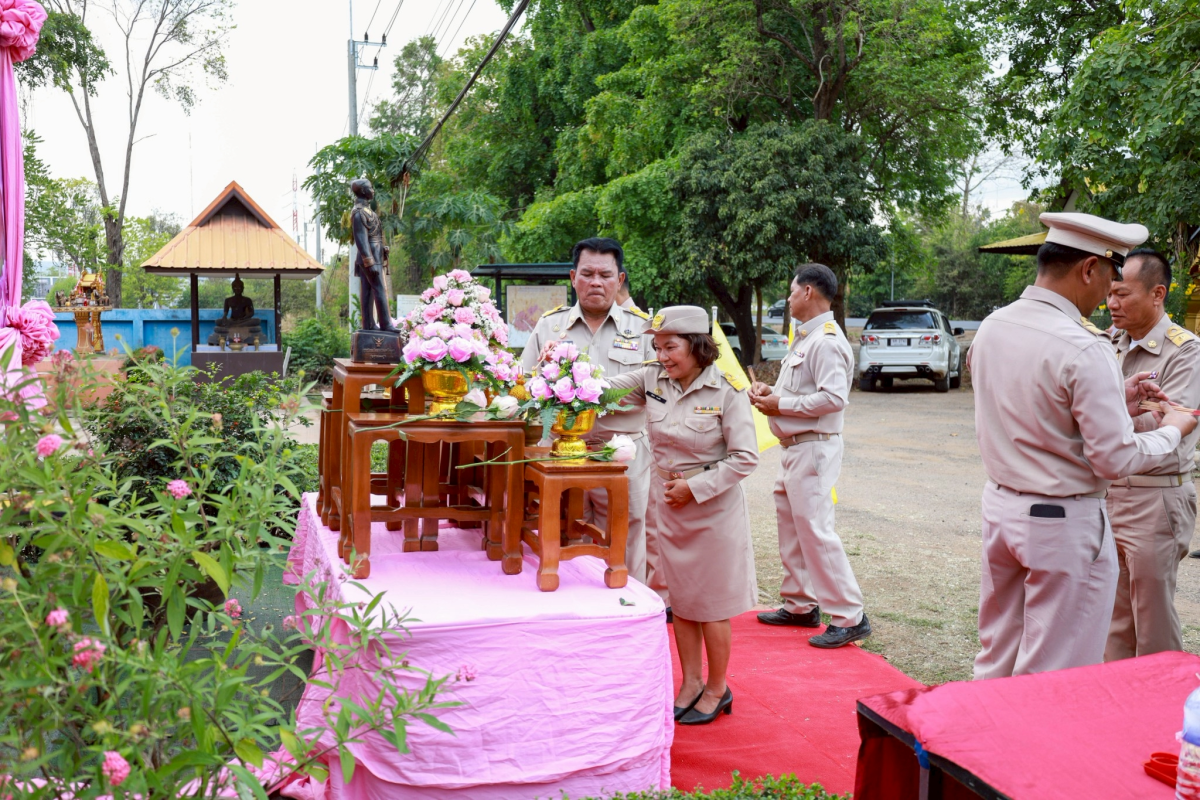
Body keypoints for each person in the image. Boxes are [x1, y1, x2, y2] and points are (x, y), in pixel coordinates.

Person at [968, 212, 1196, 680]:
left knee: (998, 655)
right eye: (1110, 281)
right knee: (1057, 669)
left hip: (1002, 509)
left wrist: (1115, 401)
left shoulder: (993, 326)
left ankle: (980, 730)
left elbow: (1037, 407)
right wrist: (1173, 428)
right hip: (1060, 522)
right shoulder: (1084, 345)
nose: (1107, 298)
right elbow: (1113, 457)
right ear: (1089, 269)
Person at [606, 306, 758, 725]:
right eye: (657, 347)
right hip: (670, 510)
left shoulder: (728, 390)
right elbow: (602, 390)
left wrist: (695, 487)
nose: (662, 356)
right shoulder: (653, 378)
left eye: (670, 347)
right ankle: (691, 682)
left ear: (696, 345)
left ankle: (718, 688)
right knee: (682, 601)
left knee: (712, 605)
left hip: (712, 513)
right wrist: (561, 374)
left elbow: (745, 458)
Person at [521, 237, 655, 583]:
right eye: (588, 273)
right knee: (562, 531)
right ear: (573, 277)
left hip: (624, 452)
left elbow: (656, 387)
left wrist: (599, 390)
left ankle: (628, 601)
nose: (596, 282)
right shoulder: (550, 326)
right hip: (561, 455)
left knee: (627, 533)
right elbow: (524, 387)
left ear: (620, 280)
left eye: (605, 275)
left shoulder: (643, 329)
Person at [750, 264, 871, 648]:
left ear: (807, 292)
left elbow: (833, 398)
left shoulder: (827, 341)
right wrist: (771, 393)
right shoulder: (807, 338)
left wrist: (780, 404)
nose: (787, 299)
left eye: (791, 291)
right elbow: (802, 390)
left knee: (816, 531)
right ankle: (800, 605)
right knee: (793, 527)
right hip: (795, 446)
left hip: (814, 446)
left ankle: (850, 616)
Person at [1104, 248, 1200, 660]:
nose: (1111, 303)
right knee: (1111, 620)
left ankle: (1165, 699)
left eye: (1122, 294)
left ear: (1157, 294)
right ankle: (1114, 699)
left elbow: (1171, 423)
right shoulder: (1108, 342)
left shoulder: (1186, 351)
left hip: (1155, 497)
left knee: (1152, 622)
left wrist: (1109, 418)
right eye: (1109, 293)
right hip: (1108, 493)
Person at [350, 179, 394, 332]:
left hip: (375, 255)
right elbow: (361, 239)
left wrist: (382, 248)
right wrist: (369, 261)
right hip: (369, 259)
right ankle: (386, 324)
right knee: (379, 289)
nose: (373, 190)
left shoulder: (368, 211)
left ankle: (368, 325)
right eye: (370, 188)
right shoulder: (358, 213)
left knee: (368, 292)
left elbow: (373, 236)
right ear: (363, 191)